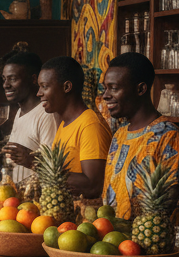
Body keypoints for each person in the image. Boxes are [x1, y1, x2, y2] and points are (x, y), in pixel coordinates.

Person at [101, 52, 179, 222]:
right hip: (113, 235)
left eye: (114, 88)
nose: (105, 95)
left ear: (140, 89)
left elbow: (169, 210)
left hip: (151, 236)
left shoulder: (170, 137)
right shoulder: (121, 133)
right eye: (105, 88)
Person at [18, 55, 111, 198]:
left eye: (44, 86)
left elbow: (93, 185)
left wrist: (36, 163)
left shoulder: (90, 126)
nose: (39, 93)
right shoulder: (64, 124)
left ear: (66, 87)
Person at [0, 47, 60, 184]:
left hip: (38, 196)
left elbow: (54, 171)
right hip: (17, 195)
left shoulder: (46, 115)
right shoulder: (20, 112)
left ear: (33, 79)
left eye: (12, 79)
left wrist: (30, 160)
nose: (5, 85)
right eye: (4, 79)